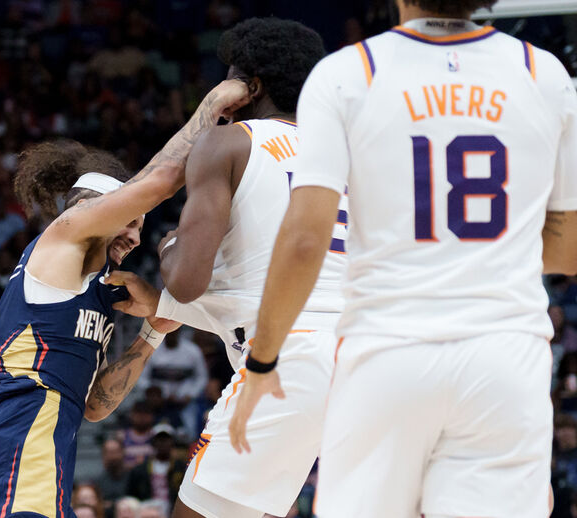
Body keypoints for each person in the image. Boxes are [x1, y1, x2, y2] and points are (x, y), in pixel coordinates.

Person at [229, 1, 577, 517]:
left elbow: (306, 241)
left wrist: (263, 361)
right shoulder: (541, 72)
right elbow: (567, 249)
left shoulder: (350, 72)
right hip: (504, 352)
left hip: (389, 347)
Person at [0, 79, 250, 518]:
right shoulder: (64, 235)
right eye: (128, 220)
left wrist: (150, 334)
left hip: (41, 444)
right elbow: (163, 179)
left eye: (141, 226)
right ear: (92, 210)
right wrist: (213, 104)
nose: (135, 237)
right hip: (21, 436)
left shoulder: (97, 293)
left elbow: (95, 407)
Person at [147, 18, 331, 518]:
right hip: (371, 357)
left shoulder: (230, 143)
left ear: (249, 87)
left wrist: (169, 247)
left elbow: (186, 282)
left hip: (287, 358)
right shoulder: (346, 152)